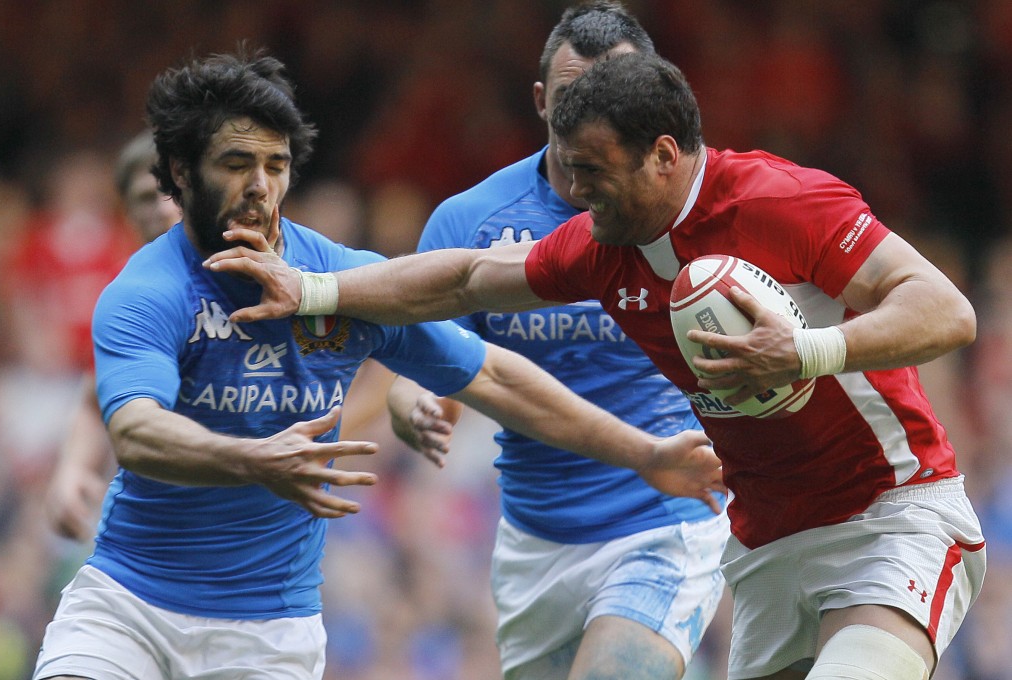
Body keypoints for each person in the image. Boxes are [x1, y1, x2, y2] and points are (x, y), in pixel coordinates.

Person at [209, 51, 986, 680]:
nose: (572, 191)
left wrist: (809, 350)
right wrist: (314, 286)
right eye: (564, 167)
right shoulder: (600, 245)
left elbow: (947, 311)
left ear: (664, 156)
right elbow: (465, 278)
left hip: (891, 514)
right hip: (768, 544)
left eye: (591, 170)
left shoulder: (782, 201)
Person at [33, 48, 724, 680]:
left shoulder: (343, 281)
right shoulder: (147, 291)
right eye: (236, 164)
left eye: (276, 166)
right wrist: (253, 459)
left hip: (268, 633)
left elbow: (491, 375)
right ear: (182, 173)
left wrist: (644, 453)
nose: (260, 187)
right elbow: (136, 432)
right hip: (129, 604)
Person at [383, 4, 728, 679]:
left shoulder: (695, 214)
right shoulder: (472, 220)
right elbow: (428, 358)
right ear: (542, 102)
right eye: (574, 99)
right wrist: (412, 396)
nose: (595, 120)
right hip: (534, 542)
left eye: (619, 98)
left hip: (661, 521)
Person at [45, 130, 183, 542]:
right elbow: (95, 396)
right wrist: (72, 470)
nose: (161, 208)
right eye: (145, 196)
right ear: (124, 213)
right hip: (163, 514)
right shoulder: (127, 293)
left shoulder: (249, 270)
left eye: (172, 191)